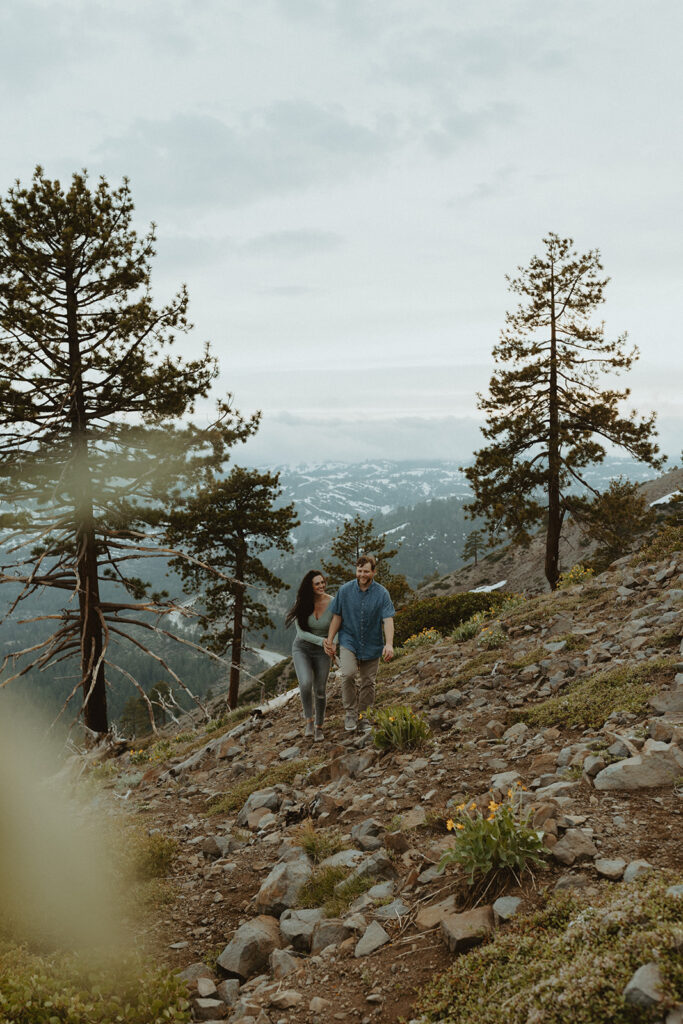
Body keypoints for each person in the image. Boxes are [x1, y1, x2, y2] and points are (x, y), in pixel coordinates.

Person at [323, 555, 394, 733]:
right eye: (359, 571)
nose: (362, 574)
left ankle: (364, 717)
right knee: (348, 674)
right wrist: (330, 640)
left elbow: (388, 619)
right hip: (349, 640)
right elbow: (337, 616)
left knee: (368, 682)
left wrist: (389, 644)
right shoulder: (345, 590)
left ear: (374, 572)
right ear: (356, 570)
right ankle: (350, 713)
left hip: (373, 642)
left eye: (366, 571)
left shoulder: (382, 593)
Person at [285, 570, 334, 741]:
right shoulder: (302, 602)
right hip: (302, 648)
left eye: (322, 582)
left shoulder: (333, 602)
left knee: (320, 690)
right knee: (305, 683)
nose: (321, 586)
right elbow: (301, 633)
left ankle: (319, 727)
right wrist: (323, 641)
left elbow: (339, 626)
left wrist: (333, 643)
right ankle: (309, 722)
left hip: (323, 651)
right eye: (317, 583)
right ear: (310, 586)